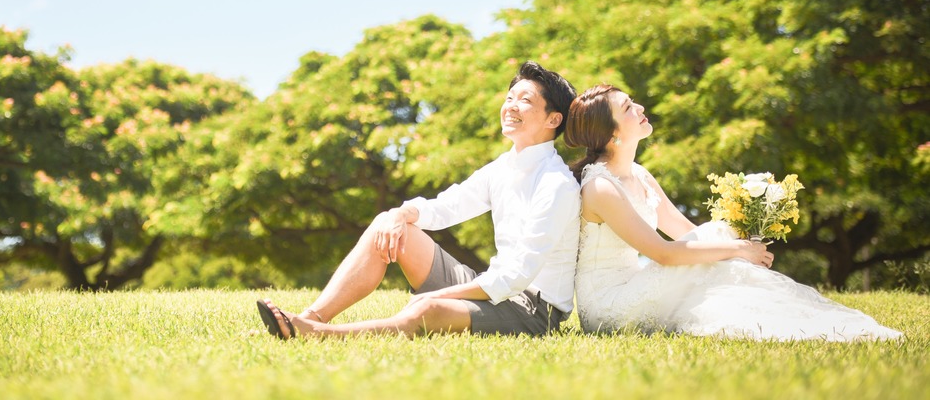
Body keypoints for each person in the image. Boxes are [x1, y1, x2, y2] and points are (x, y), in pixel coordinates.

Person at [256, 61, 580, 339]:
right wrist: (402, 213)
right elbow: (447, 206)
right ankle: (310, 318)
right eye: (509, 97)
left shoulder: (556, 184)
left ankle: (319, 335)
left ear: (553, 119)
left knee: (430, 309)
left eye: (524, 100)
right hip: (491, 287)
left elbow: (516, 275)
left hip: (534, 309)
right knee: (391, 223)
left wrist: (439, 295)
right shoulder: (502, 168)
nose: (510, 106)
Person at [566, 84, 903, 341]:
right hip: (609, 308)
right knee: (719, 242)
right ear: (611, 134)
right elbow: (663, 254)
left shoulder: (639, 174)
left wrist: (737, 242)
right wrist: (738, 250)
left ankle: (775, 312)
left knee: (717, 234)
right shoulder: (600, 187)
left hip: (636, 285)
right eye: (627, 108)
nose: (639, 107)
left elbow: (685, 231)